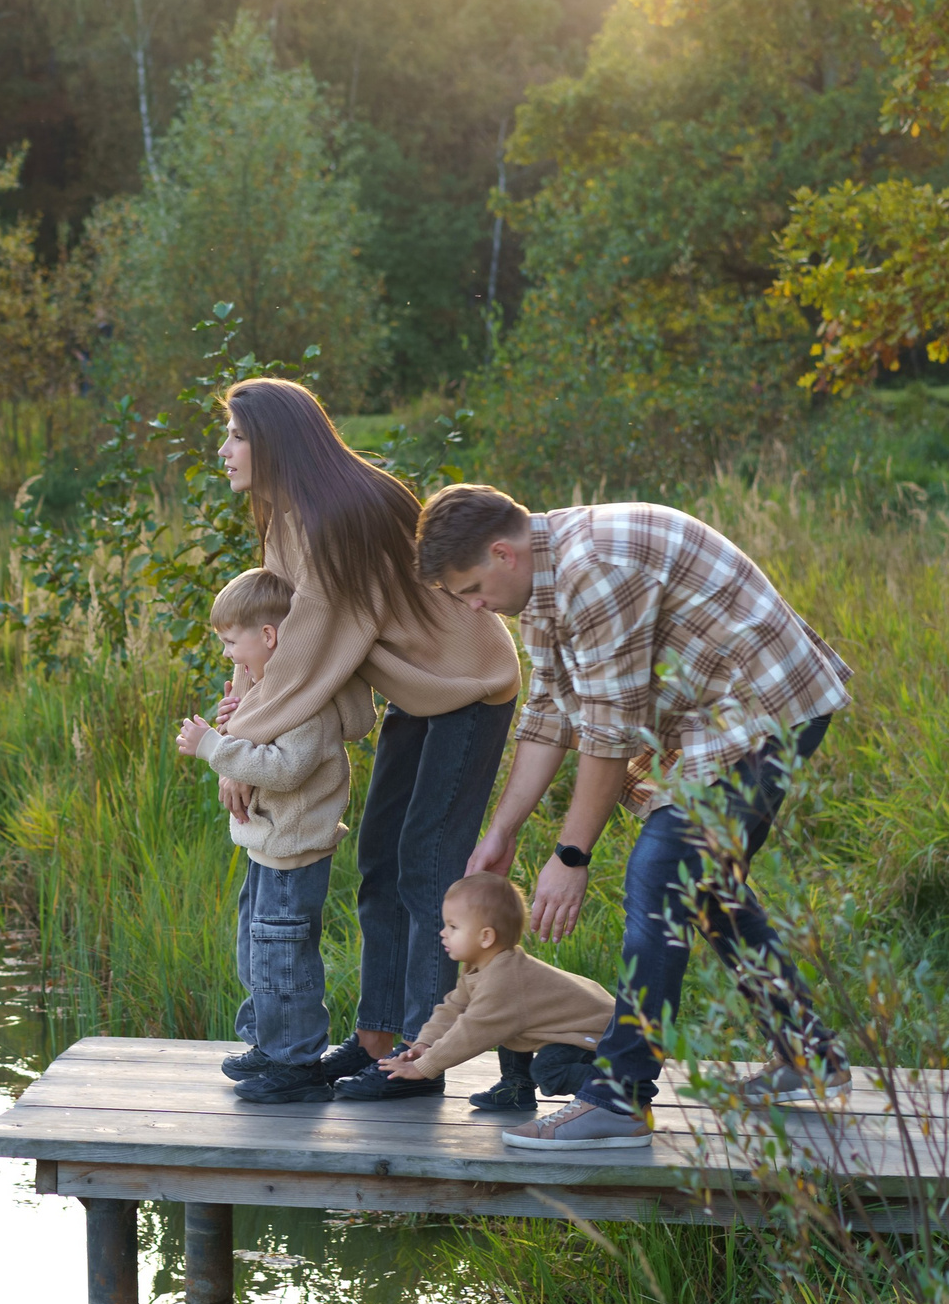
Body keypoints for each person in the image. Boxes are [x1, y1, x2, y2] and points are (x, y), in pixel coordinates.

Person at [415, 484, 854, 1152]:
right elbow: (551, 715)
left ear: (502, 553)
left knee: (658, 875)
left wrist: (570, 856)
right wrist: (501, 829)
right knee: (702, 889)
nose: (474, 605)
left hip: (766, 708)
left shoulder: (596, 570)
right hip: (712, 719)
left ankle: (621, 1098)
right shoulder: (537, 583)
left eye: (472, 587)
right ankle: (806, 1052)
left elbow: (608, 736)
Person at [212, 380, 521, 1103]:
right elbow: (275, 637)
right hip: (419, 691)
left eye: (234, 435)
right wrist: (242, 715)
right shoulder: (295, 515)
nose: (224, 451)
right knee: (380, 856)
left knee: (424, 868)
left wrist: (240, 747)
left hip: (469, 689)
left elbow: (311, 647)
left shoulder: (333, 517)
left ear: (275, 442)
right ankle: (378, 1040)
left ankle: (420, 1058)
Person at [175, 568, 379, 1104]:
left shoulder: (307, 701)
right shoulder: (274, 691)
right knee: (256, 950)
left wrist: (214, 747)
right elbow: (258, 728)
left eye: (230, 642)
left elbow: (286, 769)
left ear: (268, 637)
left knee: (283, 953)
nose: (227, 656)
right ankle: (270, 1042)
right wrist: (238, 715)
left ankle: (298, 1060)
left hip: (293, 851)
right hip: (266, 846)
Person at [377, 874, 616, 1116]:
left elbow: (472, 1031)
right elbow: (453, 1008)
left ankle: (621, 1090)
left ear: (486, 937)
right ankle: (516, 1088)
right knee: (510, 1027)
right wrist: (424, 1043)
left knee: (548, 1071)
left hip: (601, 1034)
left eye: (453, 926)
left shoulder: (504, 981)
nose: (443, 933)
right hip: (573, 1028)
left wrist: (425, 1066)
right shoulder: (483, 966)